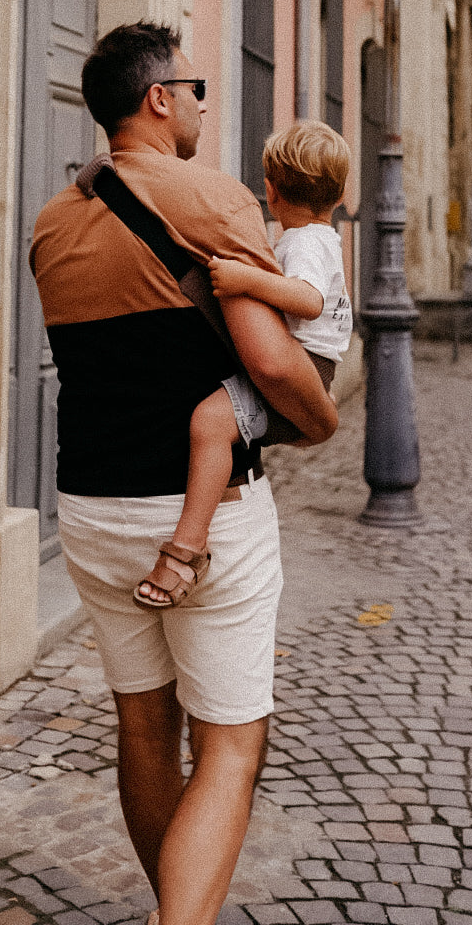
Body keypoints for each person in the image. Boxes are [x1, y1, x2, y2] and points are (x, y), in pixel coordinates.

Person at [29, 21, 337, 925]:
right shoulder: (214, 200)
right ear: (159, 99)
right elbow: (275, 366)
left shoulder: (53, 220)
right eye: (195, 86)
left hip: (89, 506)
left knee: (142, 727)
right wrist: (318, 425)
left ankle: (181, 907)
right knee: (234, 744)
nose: (205, 102)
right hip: (203, 512)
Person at [134, 119, 352, 609]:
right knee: (223, 424)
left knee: (210, 423)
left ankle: (188, 548)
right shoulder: (319, 237)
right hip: (313, 366)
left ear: (271, 192)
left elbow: (309, 300)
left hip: (305, 366)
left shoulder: (306, 242)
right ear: (340, 195)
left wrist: (241, 279)